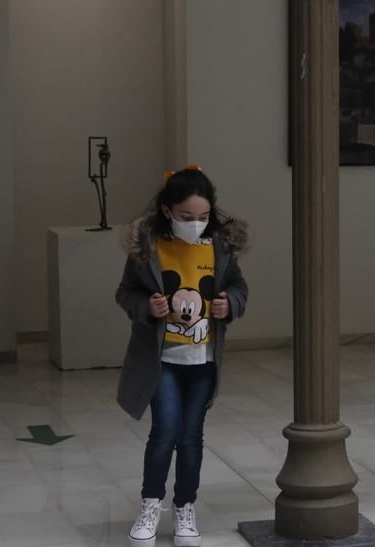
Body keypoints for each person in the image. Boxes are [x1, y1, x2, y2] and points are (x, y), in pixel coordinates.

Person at [115, 166, 249, 547]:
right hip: (163, 361)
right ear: (167, 210)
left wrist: (230, 304)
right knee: (165, 432)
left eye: (203, 217)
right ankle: (150, 504)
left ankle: (185, 506)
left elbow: (239, 286)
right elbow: (125, 293)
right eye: (187, 217)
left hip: (203, 361)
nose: (195, 224)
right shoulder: (148, 249)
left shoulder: (219, 247)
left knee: (191, 437)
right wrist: (148, 306)